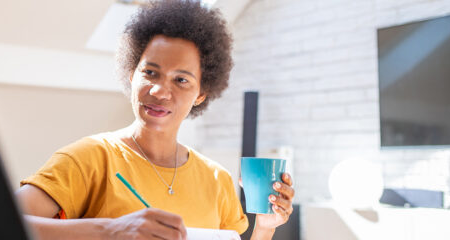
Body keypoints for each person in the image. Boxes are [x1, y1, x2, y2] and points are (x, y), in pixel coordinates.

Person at [16, 1, 295, 239]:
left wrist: (265, 229)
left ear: (201, 94)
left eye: (181, 80)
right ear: (131, 74)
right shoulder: (88, 159)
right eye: (150, 72)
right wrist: (110, 230)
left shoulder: (217, 179)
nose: (160, 91)